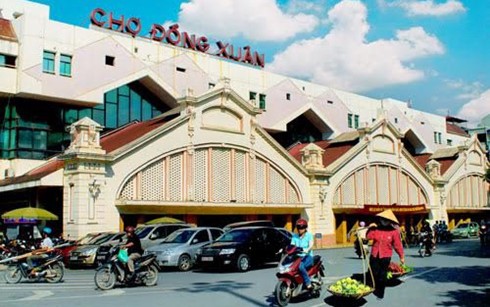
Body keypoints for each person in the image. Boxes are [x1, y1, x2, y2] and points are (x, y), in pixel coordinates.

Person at [366, 210, 405, 300]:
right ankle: (370, 287)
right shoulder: (376, 229)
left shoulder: (394, 232)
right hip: (374, 254)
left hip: (386, 256)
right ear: (380, 219)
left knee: (382, 275)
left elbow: (397, 245)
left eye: (386, 220)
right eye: (382, 219)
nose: (384, 221)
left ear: (390, 221)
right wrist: (370, 228)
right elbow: (369, 237)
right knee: (372, 272)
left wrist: (401, 256)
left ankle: (380, 292)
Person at [290, 218, 314, 290]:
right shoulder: (294, 236)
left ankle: (308, 283)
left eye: (302, 227)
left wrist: (307, 249)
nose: (300, 229)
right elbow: (292, 246)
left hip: (307, 256)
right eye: (299, 227)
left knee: (300, 266)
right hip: (297, 257)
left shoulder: (309, 235)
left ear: (305, 228)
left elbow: (311, 244)